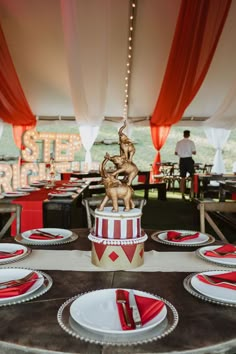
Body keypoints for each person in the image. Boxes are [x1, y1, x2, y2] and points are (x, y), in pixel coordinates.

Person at [175, 130, 196, 200]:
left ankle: (182, 194)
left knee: (182, 178)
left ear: (183, 135)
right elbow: (194, 152)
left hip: (182, 160)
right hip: (189, 160)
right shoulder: (191, 142)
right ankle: (191, 193)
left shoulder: (179, 142)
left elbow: (175, 153)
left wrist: (181, 152)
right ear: (189, 135)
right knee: (193, 177)